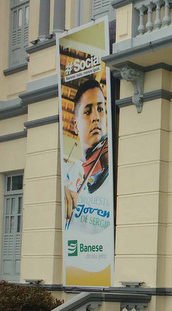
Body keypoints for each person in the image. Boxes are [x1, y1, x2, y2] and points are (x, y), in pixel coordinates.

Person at [64, 78, 109, 230]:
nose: (96, 117)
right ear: (75, 125)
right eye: (88, 111)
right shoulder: (68, 172)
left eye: (101, 109)